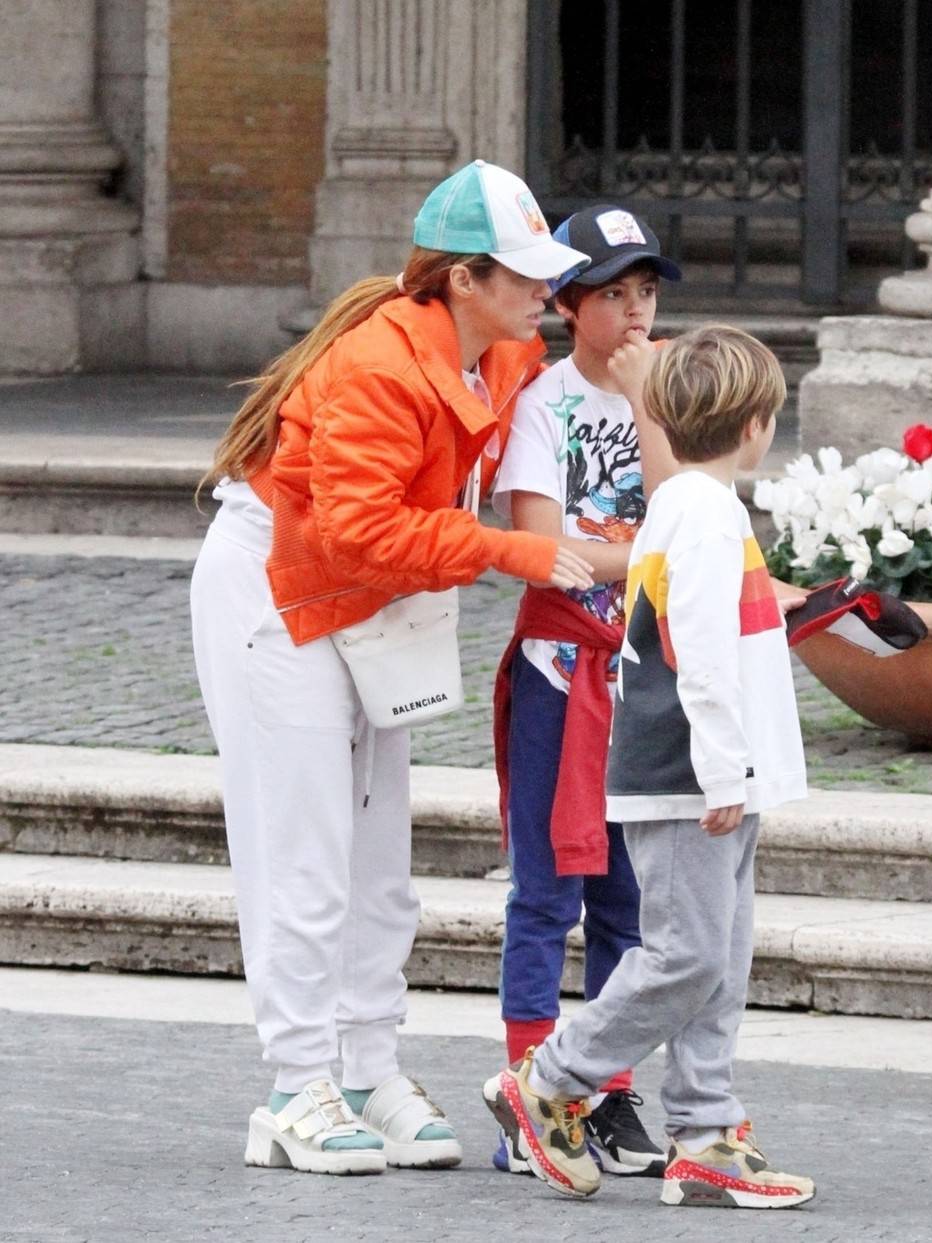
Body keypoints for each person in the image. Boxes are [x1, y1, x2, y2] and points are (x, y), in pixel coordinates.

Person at [189, 159, 596, 1177]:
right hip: (276, 593)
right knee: (306, 848)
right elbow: (366, 527)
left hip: (364, 602)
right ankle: (292, 1084)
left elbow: (450, 498)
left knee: (376, 860)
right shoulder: (378, 363)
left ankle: (367, 1070)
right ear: (464, 279)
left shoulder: (501, 354)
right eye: (523, 271)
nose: (542, 289)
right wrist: (519, 554)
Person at [483, 325, 816, 1209]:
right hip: (695, 776)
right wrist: (721, 769)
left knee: (718, 957)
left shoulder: (686, 505)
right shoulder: (705, 512)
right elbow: (700, 654)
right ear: (755, 426)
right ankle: (550, 1078)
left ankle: (706, 1132)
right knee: (688, 954)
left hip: (711, 774)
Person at [489, 206, 681, 1177]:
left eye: (645, 290)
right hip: (561, 675)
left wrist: (651, 407)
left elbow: (685, 521)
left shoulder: (666, 396)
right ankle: (528, 1096)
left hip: (641, 679)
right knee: (544, 891)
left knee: (626, 896)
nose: (636, 311)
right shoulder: (543, 404)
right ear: (567, 304)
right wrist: (638, 555)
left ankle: (601, 1089)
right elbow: (544, 554)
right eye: (613, 292)